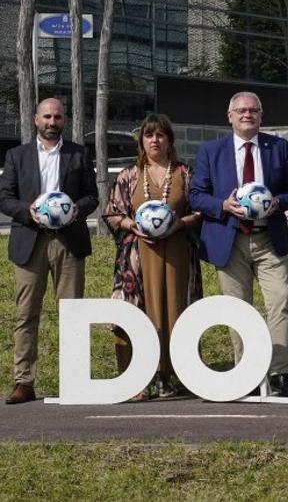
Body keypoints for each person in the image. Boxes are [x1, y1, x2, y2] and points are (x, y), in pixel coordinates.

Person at [189, 91, 288, 397]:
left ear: (261, 116)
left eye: (253, 110)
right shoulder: (211, 151)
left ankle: (281, 374)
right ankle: (246, 372)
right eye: (241, 110)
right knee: (238, 309)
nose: (247, 114)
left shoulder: (277, 148)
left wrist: (277, 201)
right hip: (230, 237)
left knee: (281, 302)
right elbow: (196, 194)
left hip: (268, 237)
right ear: (230, 116)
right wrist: (222, 205)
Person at [0, 97, 98, 404]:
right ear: (35, 119)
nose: (52, 122)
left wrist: (73, 209)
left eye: (57, 117)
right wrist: (27, 211)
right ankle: (23, 382)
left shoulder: (79, 154)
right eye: (46, 117)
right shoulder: (17, 156)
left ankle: (74, 380)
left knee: (71, 313)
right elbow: (4, 197)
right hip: (30, 240)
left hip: (68, 240)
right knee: (26, 314)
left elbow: (92, 197)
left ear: (65, 121)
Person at [102, 113, 204, 400]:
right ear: (142, 141)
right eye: (149, 135)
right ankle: (136, 377)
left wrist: (180, 224)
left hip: (177, 253)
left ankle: (169, 376)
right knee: (137, 311)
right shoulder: (129, 176)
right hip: (137, 254)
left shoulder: (185, 174)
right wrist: (131, 224)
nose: (155, 140)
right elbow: (111, 213)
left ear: (169, 140)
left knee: (174, 309)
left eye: (160, 135)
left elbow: (201, 211)